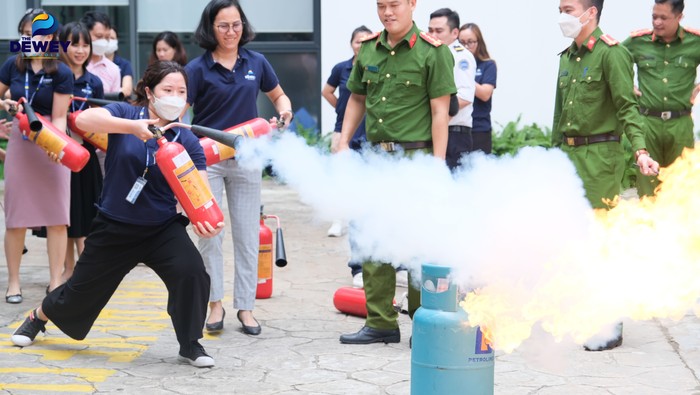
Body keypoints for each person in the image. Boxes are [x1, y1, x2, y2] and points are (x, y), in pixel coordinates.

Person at [10, 61, 223, 368]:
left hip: (161, 228)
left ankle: (190, 343)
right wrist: (132, 128)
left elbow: (200, 190)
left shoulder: (186, 139)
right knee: (79, 291)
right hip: (115, 226)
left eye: (181, 91)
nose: (175, 97)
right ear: (149, 92)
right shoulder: (125, 115)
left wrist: (208, 221)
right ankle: (38, 316)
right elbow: (84, 119)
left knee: (192, 272)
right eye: (168, 90)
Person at [337, 0, 456, 344]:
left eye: (395, 5)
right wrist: (344, 140)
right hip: (376, 159)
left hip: (414, 159)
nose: (388, 12)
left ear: (412, 4)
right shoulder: (369, 50)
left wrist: (437, 164)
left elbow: (439, 113)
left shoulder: (433, 53)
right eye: (381, 6)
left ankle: (424, 322)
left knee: (418, 242)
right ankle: (381, 323)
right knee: (374, 239)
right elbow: (356, 99)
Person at [553, 0, 659, 351]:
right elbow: (558, 115)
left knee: (600, 240)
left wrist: (641, 151)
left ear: (591, 12)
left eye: (568, 9)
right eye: (560, 9)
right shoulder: (567, 57)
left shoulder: (611, 54)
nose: (562, 16)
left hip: (600, 158)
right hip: (569, 157)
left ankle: (609, 323)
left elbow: (629, 108)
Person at [186, 0, 292, 336]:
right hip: (208, 163)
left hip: (247, 159)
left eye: (236, 24)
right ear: (210, 28)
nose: (231, 32)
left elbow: (279, 96)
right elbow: (180, 113)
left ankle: (245, 308)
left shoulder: (256, 62)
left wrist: (285, 114)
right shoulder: (197, 69)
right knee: (210, 236)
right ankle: (214, 304)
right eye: (223, 26)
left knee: (247, 236)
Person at [322, 25, 409, 289]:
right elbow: (350, 99)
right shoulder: (345, 68)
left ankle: (398, 264)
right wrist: (344, 136)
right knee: (359, 209)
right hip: (358, 143)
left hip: (389, 147)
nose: (363, 46)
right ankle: (359, 266)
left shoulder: (391, 63)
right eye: (358, 41)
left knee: (392, 211)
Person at [0, 9, 73, 303]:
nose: (33, 40)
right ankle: (14, 283)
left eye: (41, 35)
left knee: (57, 217)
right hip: (20, 141)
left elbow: (59, 117)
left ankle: (55, 281)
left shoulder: (62, 72)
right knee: (16, 218)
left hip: (51, 144)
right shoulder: (11, 66)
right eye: (28, 35)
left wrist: (55, 146)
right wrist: (5, 105)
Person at [622, 0, 700, 197]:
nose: (657, 22)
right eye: (654, 16)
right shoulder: (639, 41)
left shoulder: (695, 42)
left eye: (663, 17)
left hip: (680, 125)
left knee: (681, 188)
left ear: (679, 17)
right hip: (648, 125)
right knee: (647, 186)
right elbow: (614, 59)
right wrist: (626, 85)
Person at [58, 22, 105, 283]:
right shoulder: (54, 77)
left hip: (86, 157)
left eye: (85, 44)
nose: (80, 50)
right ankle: (67, 269)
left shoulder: (94, 82)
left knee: (87, 214)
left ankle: (85, 270)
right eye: (73, 44)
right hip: (59, 154)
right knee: (63, 216)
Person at [428, 8, 476, 170]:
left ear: (455, 33)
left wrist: (438, 121)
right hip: (435, 131)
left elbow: (464, 97)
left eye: (439, 31)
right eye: (430, 30)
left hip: (455, 134)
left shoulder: (461, 56)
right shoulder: (431, 55)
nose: (433, 35)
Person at [459, 23, 497, 154]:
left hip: (479, 129)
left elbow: (485, 94)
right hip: (458, 127)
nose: (466, 47)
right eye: (461, 42)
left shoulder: (488, 65)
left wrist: (465, 75)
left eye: (470, 42)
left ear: (478, 42)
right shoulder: (453, 64)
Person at [80, 11, 121, 95]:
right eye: (99, 36)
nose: (104, 41)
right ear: (85, 34)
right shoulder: (75, 63)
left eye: (107, 37)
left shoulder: (113, 69)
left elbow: (114, 104)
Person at [105, 27, 134, 98]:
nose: (109, 41)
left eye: (112, 38)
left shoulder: (124, 64)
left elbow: (127, 89)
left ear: (117, 41)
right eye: (106, 38)